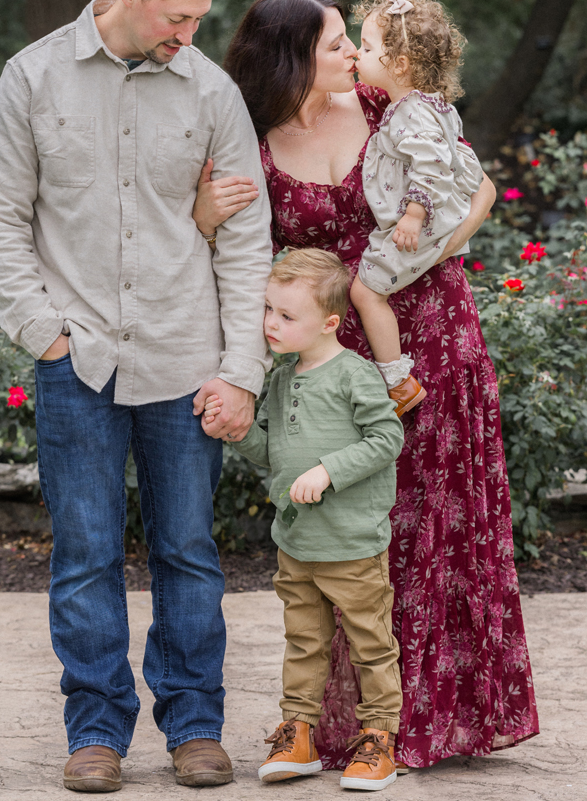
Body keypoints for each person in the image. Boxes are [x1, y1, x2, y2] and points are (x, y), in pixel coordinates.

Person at [192, 0, 539, 771]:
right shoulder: (245, 138)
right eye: (335, 43)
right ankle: (348, 724)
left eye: (355, 39)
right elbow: (220, 249)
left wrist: (428, 253)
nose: (353, 54)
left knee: (435, 525)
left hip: (432, 344)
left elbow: (475, 190)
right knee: (351, 541)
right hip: (330, 366)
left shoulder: (387, 106)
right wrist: (205, 218)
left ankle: (430, 722)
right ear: (290, 61)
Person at [0, 0, 273, 793]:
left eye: (201, 18)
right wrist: (45, 335)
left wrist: (242, 368)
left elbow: (245, 239)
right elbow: (0, 218)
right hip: (80, 360)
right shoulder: (32, 77)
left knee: (187, 549)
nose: (189, 35)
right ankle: (95, 732)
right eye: (177, 17)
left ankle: (194, 727)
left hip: (187, 357)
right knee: (86, 552)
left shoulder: (212, 91)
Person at [204, 249, 404, 791]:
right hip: (295, 542)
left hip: (352, 544)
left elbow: (389, 438)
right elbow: (273, 453)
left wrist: (329, 471)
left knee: (371, 643)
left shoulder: (354, 375)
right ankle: (299, 733)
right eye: (269, 310)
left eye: (287, 316)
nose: (271, 323)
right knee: (303, 640)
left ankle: (380, 739)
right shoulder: (280, 377)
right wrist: (238, 432)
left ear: (330, 323)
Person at [348, 0, 484, 416]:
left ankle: (397, 381)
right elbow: (461, 161)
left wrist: (414, 214)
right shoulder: (430, 106)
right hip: (430, 222)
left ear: (400, 65)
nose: (357, 54)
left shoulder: (412, 113)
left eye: (367, 48)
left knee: (366, 292)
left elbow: (431, 164)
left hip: (419, 226)